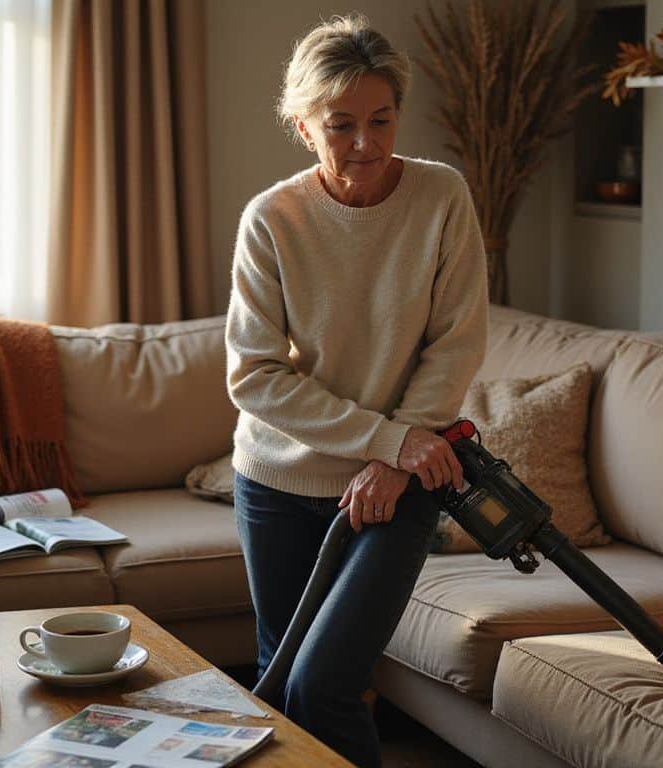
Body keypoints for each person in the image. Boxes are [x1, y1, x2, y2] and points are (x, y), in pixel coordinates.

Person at [224, 14, 488, 768]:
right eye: (341, 125)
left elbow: (456, 343)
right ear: (304, 126)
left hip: (403, 483)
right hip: (279, 482)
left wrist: (397, 459)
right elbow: (254, 374)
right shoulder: (272, 219)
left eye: (382, 120)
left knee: (325, 685)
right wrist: (388, 441)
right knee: (280, 683)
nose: (366, 143)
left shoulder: (441, 197)